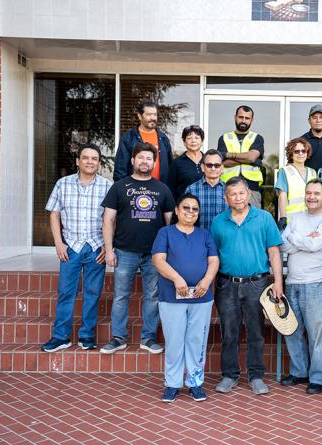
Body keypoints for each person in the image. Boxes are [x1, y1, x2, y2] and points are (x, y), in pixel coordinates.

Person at [210, 176, 284, 395]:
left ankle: (256, 375)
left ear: (248, 193)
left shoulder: (264, 218)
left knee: (256, 332)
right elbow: (213, 256)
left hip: (257, 284)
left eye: (241, 193)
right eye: (232, 194)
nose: (238, 197)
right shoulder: (218, 222)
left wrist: (277, 281)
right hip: (226, 284)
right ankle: (230, 375)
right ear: (226, 198)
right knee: (229, 332)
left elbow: (273, 252)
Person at [100, 142, 176, 355]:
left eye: (149, 158)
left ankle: (148, 338)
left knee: (152, 296)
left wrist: (169, 252)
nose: (145, 161)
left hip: (155, 254)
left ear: (154, 162)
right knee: (120, 295)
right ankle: (118, 337)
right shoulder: (119, 186)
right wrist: (109, 249)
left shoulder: (162, 189)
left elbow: (170, 223)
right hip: (124, 251)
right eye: (140, 158)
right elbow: (108, 220)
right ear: (132, 161)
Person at [40, 143, 113, 352]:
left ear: (99, 163)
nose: (90, 162)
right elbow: (54, 213)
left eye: (94, 159)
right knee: (66, 292)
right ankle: (61, 336)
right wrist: (58, 242)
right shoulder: (63, 184)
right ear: (78, 161)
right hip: (70, 246)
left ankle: (86, 335)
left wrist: (108, 247)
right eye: (86, 158)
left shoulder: (107, 186)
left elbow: (112, 220)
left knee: (92, 292)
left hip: (96, 247)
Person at [152, 193, 220, 403]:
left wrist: (207, 281)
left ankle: (195, 383)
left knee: (196, 341)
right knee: (174, 341)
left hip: (201, 297)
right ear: (178, 210)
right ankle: (172, 384)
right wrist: (177, 279)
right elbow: (158, 260)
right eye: (186, 207)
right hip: (172, 296)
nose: (190, 212)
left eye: (194, 209)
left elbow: (214, 261)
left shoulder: (205, 235)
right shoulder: (165, 233)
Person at [279, 179, 322, 395]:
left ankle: (320, 377)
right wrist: (304, 240)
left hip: (316, 282)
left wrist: (298, 241)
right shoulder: (295, 218)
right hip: (292, 281)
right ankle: (299, 371)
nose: (311, 196)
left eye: (316, 193)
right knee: (292, 331)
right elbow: (281, 243)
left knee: (317, 333)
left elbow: (314, 246)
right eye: (308, 192)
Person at [113, 100, 173, 185]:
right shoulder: (128, 137)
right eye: (149, 114)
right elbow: (120, 169)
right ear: (140, 116)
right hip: (135, 190)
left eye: (155, 114)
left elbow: (171, 167)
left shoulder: (163, 138)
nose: (153, 118)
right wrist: (122, 191)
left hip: (159, 190)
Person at [218, 105, 265, 209]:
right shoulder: (224, 138)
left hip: (251, 188)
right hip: (228, 188)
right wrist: (247, 159)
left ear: (252, 120)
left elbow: (252, 157)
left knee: (253, 222)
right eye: (241, 117)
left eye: (247, 118)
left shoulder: (257, 138)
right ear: (235, 118)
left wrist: (227, 155)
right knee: (228, 221)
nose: (243, 120)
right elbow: (222, 163)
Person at [275, 137, 317, 231]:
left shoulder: (313, 172)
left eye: (303, 151)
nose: (301, 153)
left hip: (310, 220)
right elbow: (282, 195)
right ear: (291, 153)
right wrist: (282, 217)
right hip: (291, 221)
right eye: (296, 151)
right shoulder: (285, 171)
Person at [185, 149, 229, 232]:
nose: (213, 168)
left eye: (217, 165)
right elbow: (185, 218)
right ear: (202, 167)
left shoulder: (229, 190)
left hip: (223, 241)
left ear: (222, 168)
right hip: (198, 240)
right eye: (209, 165)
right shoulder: (191, 189)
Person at [167, 125, 205, 203]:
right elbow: (171, 189)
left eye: (197, 138)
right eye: (189, 138)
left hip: (205, 207)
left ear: (202, 141)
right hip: (184, 208)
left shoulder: (208, 161)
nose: (193, 141)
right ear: (184, 142)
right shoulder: (177, 162)